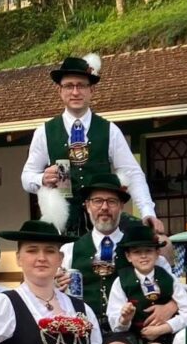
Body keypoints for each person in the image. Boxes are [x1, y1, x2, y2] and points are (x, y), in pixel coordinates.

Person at [56, 174, 182, 344]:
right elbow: (44, 293)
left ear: (121, 207)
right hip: (82, 328)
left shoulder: (141, 246)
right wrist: (56, 287)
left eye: (112, 201)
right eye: (97, 201)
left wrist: (172, 305)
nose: (104, 207)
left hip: (127, 331)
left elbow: (176, 286)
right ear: (87, 206)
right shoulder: (69, 251)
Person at [21, 54, 163, 237]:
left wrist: (147, 212)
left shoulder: (110, 130)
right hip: (63, 227)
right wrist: (42, 179)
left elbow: (132, 173)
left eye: (81, 85)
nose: (75, 92)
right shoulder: (44, 132)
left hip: (105, 224)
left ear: (91, 91)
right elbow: (26, 177)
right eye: (69, 86)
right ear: (60, 91)